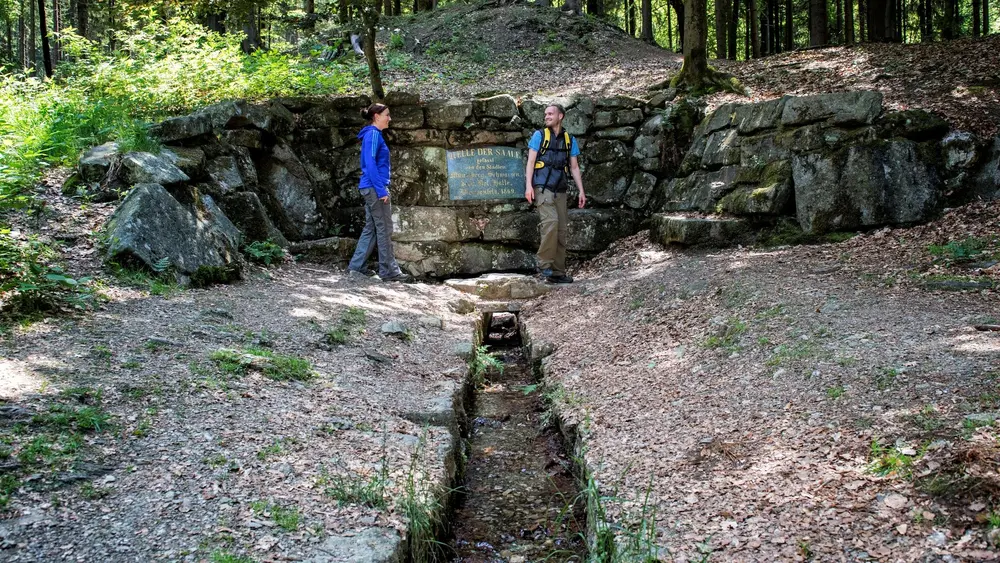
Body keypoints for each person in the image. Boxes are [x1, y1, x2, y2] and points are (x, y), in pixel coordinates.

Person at [524, 104, 586, 284]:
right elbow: (531, 162)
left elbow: (574, 167)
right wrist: (528, 186)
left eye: (550, 113)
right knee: (550, 223)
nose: (547, 116)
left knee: (561, 230)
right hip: (543, 187)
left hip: (561, 189)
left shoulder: (569, 139)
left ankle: (558, 272)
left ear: (561, 116)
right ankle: (543, 265)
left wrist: (581, 191)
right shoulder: (539, 135)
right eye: (545, 114)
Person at [348, 103, 410, 282]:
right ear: (376, 116)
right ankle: (389, 271)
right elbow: (370, 163)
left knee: (373, 228)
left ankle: (357, 267)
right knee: (384, 228)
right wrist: (381, 190)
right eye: (387, 115)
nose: (390, 118)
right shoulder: (374, 134)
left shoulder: (372, 134)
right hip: (375, 188)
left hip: (370, 187)